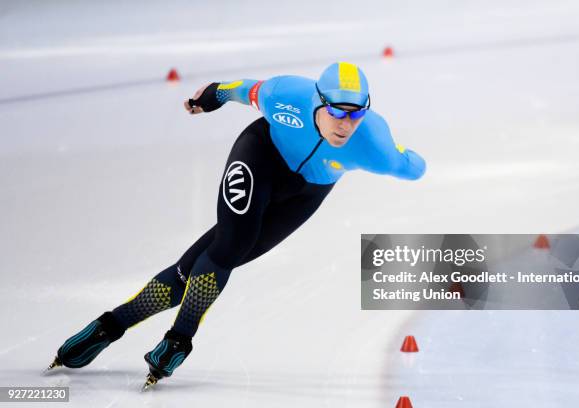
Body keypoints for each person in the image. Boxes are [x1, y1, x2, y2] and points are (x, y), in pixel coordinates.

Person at [46, 62, 426, 389]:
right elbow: (240, 91)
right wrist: (210, 96)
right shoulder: (285, 94)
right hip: (260, 155)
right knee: (230, 244)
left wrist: (405, 155)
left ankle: (109, 326)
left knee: (204, 265)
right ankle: (178, 341)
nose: (346, 124)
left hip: (305, 194)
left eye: (356, 114)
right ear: (317, 102)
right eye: (338, 112)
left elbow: (411, 168)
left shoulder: (373, 144)